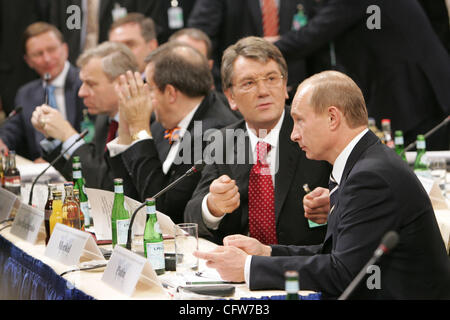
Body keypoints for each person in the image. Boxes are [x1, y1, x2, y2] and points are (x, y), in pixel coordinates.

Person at [194, 70, 450, 299]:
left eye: (299, 120)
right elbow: (337, 255)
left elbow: (343, 273)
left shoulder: (371, 177)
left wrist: (248, 267)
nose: (293, 134)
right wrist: (265, 252)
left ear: (332, 118)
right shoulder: (364, 162)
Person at [184, 37, 331, 246]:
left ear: (284, 85)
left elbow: (358, 196)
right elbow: (191, 213)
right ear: (231, 97)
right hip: (242, 270)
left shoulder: (317, 130)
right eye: (249, 83)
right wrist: (212, 206)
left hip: (305, 265)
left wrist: (334, 205)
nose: (263, 91)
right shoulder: (223, 142)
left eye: (271, 79)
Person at [269, 0, 450, 150]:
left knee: (424, 170)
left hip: (414, 93)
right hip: (411, 89)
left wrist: (263, 51)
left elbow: (313, 35)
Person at [106, 41, 239, 223]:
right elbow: (130, 198)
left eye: (150, 89)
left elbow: (163, 211)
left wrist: (138, 127)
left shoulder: (213, 132)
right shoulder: (162, 125)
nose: (147, 99)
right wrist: (126, 130)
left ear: (170, 93)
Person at [31, 41, 138, 190]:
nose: (81, 92)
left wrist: (68, 134)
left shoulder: (143, 123)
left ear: (121, 83)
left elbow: (107, 186)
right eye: (82, 83)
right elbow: (87, 174)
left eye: (91, 84)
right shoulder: (105, 118)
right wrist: (54, 136)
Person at [0, 22, 86, 162]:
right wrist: (2, 141)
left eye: (51, 50)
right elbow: (11, 130)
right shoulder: (25, 93)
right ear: (28, 61)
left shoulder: (85, 83)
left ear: (65, 49)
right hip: (42, 173)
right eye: (38, 54)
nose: (47, 59)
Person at [188, 0, 309, 96]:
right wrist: (225, 86)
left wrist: (281, 43)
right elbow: (199, 38)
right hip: (237, 95)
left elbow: (317, 31)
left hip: (296, 90)